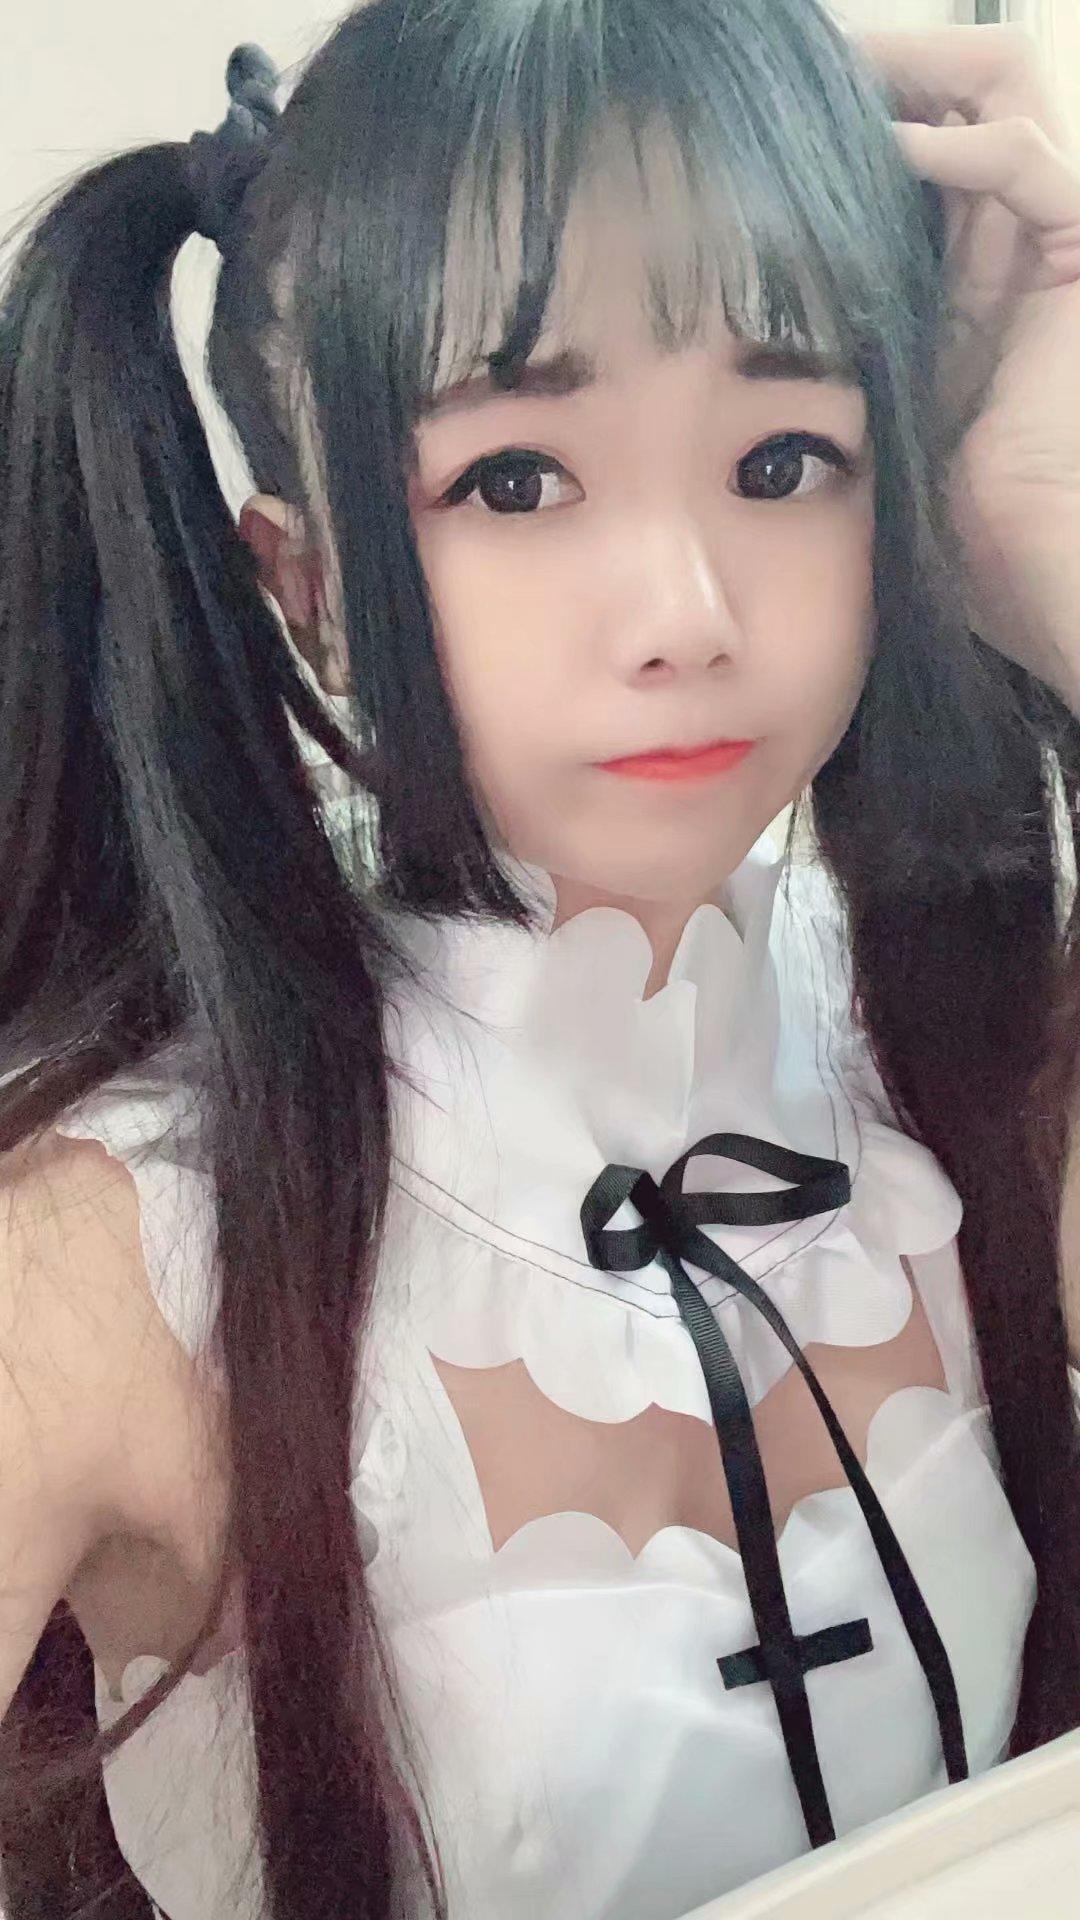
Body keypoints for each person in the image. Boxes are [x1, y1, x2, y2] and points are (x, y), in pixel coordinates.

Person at [1, 3, 1079, 1916]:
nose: (686, 612)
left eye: (786, 459)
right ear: (305, 587)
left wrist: (1053, 551)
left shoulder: (968, 1056)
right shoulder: (112, 1258)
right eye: (515, 480)